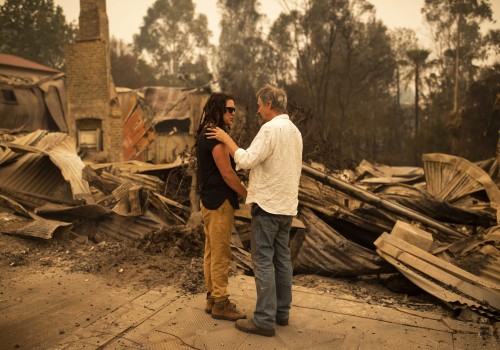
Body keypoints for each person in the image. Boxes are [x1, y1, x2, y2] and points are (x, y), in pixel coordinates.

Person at [206, 84, 303, 337]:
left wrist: (227, 139)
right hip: (286, 208)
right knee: (282, 260)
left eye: (260, 105)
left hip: (268, 206)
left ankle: (263, 320)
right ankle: (281, 313)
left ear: (269, 104)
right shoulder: (294, 131)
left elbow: (246, 160)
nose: (258, 110)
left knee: (262, 261)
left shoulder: (270, 129)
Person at [195, 92, 247, 321]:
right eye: (229, 110)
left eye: (234, 109)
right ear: (217, 109)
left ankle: (212, 299)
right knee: (220, 253)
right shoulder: (216, 136)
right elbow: (227, 173)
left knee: (211, 251)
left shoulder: (205, 132)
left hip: (208, 200)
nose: (233, 113)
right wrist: (247, 194)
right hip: (219, 203)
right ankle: (221, 303)